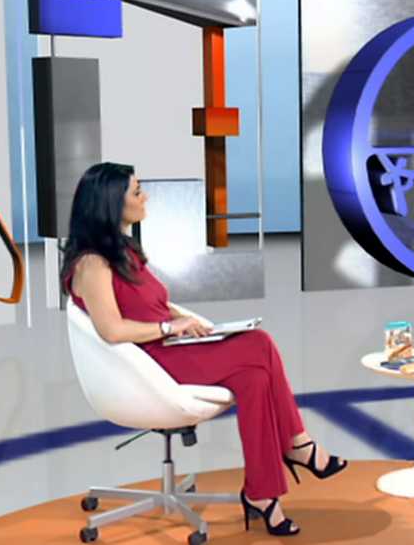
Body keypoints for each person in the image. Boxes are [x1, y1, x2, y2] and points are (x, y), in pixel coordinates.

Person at [62, 162, 347, 537]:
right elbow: (112, 330)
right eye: (137, 191)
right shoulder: (92, 265)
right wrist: (169, 327)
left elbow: (150, 304)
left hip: (169, 347)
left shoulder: (124, 252)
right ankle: (298, 445)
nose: (145, 197)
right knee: (259, 344)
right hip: (151, 365)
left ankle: (262, 493)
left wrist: (182, 318)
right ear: (111, 203)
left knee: (254, 378)